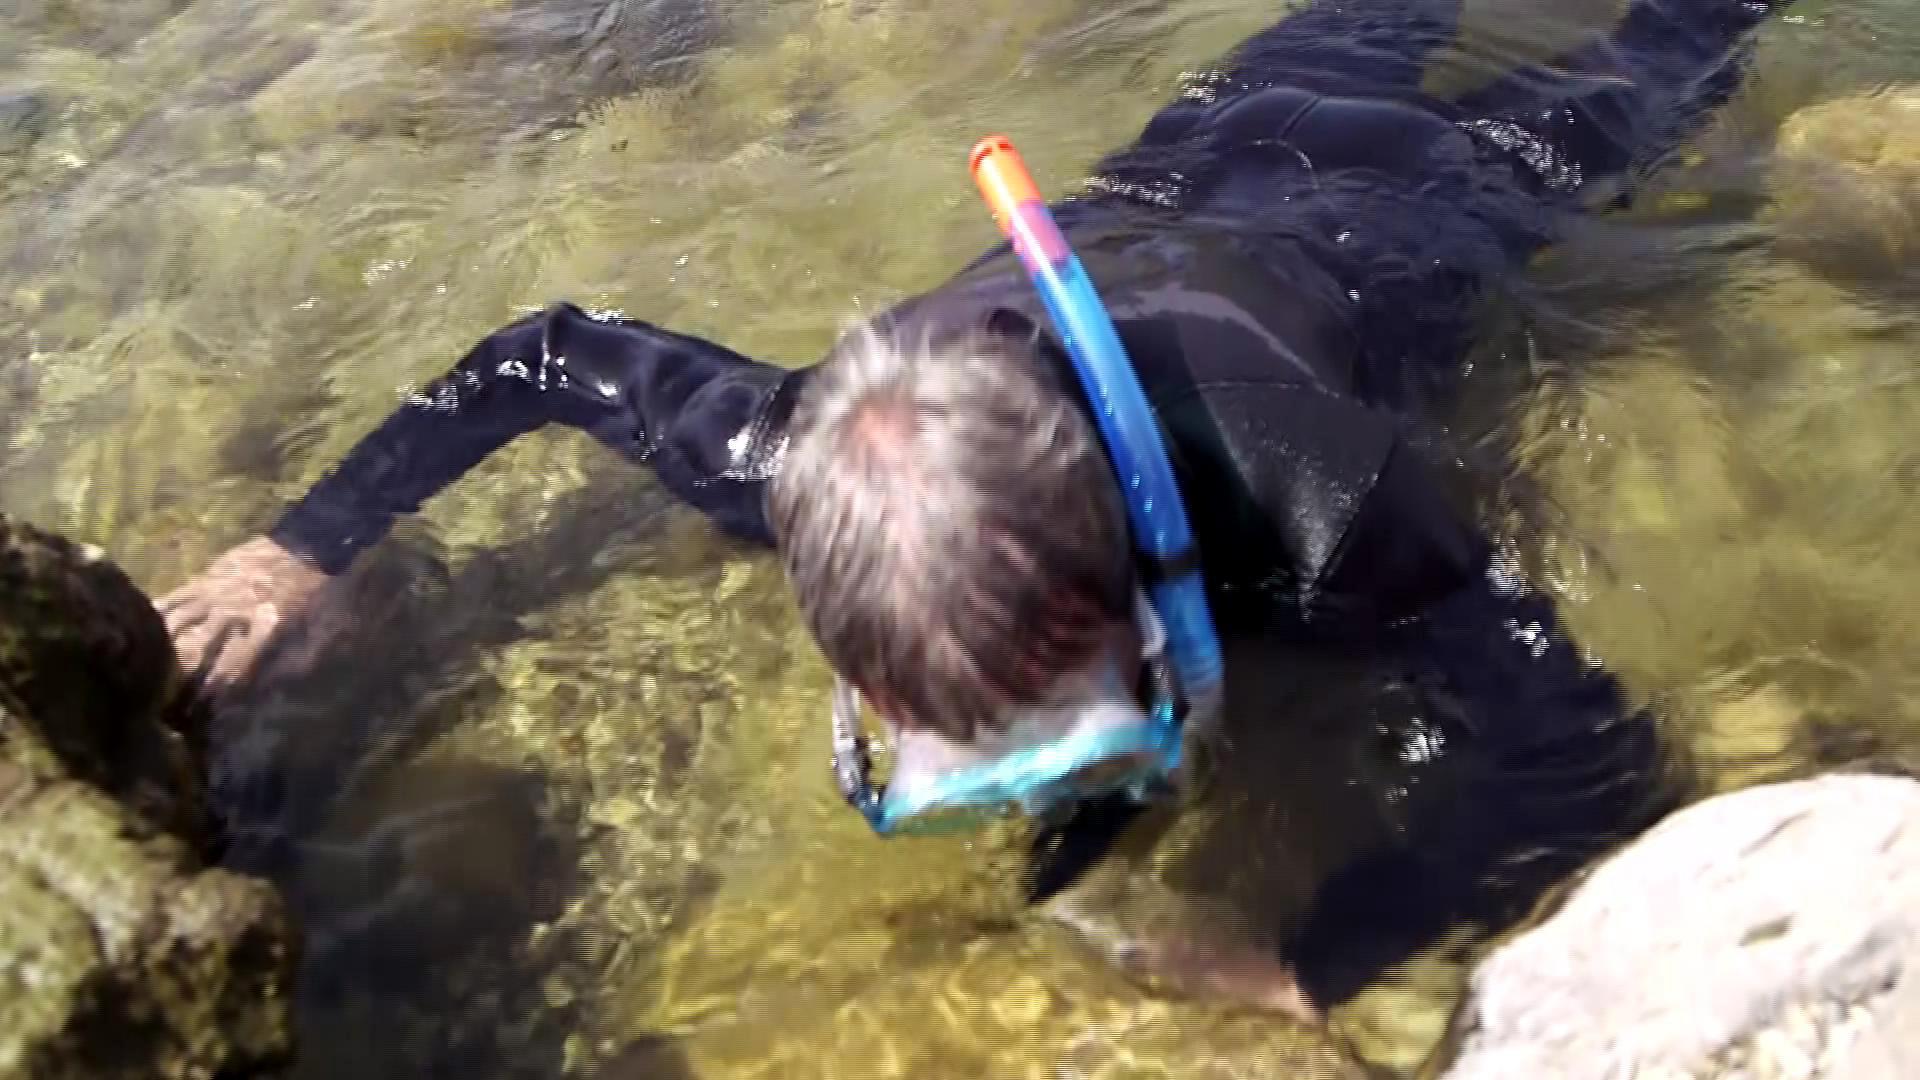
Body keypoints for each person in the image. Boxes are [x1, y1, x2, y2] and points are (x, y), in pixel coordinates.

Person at [160, 0, 1793, 1008]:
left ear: (1153, 593)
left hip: (1424, 217)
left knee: (1674, 52)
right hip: (1210, 147)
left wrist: (1310, 960)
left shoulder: (1320, 504)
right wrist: (299, 549)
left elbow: (1586, 755)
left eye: (1070, 732)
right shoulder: (790, 453)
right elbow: (543, 354)